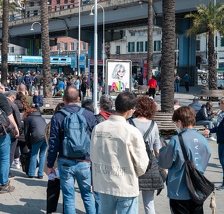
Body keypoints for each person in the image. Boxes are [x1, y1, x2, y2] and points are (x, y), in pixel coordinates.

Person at [90, 92, 149, 214]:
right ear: (131, 110)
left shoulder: (98, 128)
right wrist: (133, 172)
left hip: (103, 182)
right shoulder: (132, 132)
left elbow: (93, 154)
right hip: (125, 184)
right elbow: (142, 163)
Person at [47, 86, 97, 214]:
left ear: (63, 99)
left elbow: (54, 142)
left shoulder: (58, 116)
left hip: (65, 160)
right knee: (87, 195)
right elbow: (94, 140)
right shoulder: (88, 115)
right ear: (79, 98)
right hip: (84, 161)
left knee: (69, 197)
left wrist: (50, 164)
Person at [158, 106, 211, 212]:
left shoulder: (176, 140)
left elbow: (164, 163)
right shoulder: (202, 138)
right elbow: (206, 156)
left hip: (179, 189)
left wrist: (163, 148)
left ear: (179, 122)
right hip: (197, 187)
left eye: (176, 123)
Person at [128, 96, 161, 214]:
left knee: (132, 201)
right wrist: (162, 167)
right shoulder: (153, 125)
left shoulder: (129, 123)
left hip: (132, 164)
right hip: (149, 164)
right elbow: (157, 149)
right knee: (149, 202)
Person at [203, 97, 224, 190]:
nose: (219, 105)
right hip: (221, 140)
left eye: (220, 103)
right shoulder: (221, 114)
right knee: (222, 161)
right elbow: (218, 128)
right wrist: (209, 130)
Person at [24, 107, 47, 179]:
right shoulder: (41, 118)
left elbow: (26, 133)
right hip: (46, 136)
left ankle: (31, 173)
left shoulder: (28, 119)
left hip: (37, 137)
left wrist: (28, 145)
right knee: (42, 155)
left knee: (34, 154)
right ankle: (40, 174)